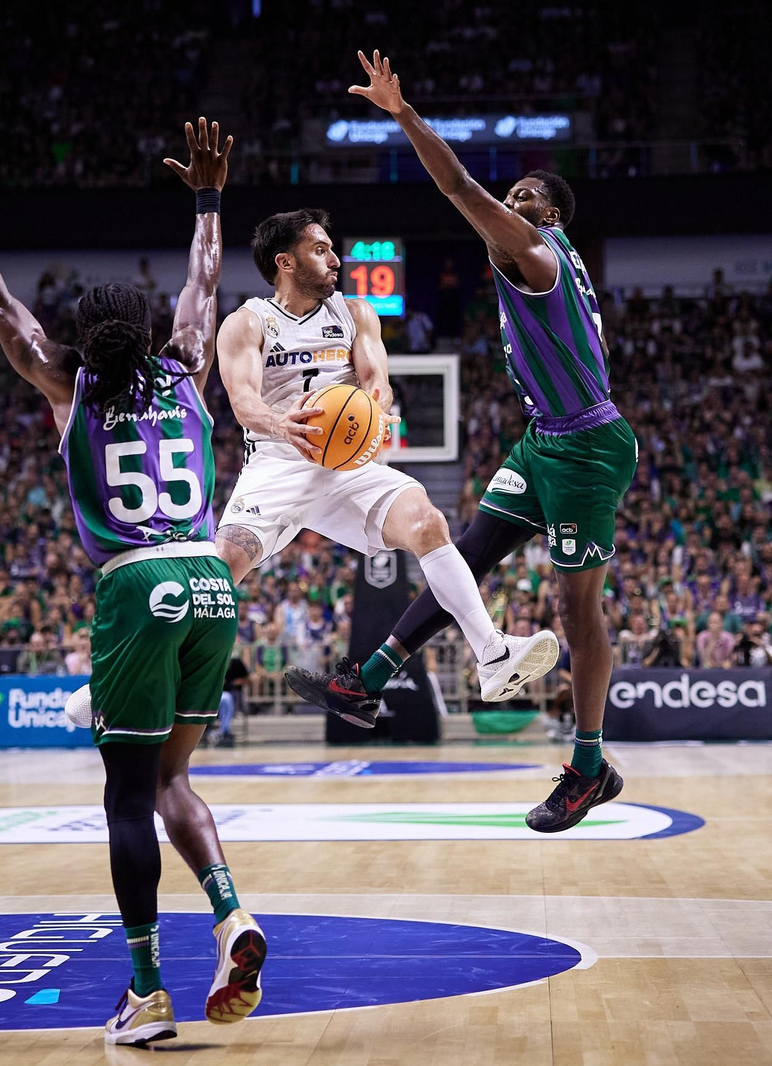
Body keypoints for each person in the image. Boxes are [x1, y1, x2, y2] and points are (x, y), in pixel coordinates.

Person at [0, 122, 263, 1046]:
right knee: (173, 778)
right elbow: (204, 282)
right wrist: (207, 200)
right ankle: (231, 914)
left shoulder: (68, 385)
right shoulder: (189, 369)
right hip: (209, 578)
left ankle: (148, 990)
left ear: (82, 338)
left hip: (137, 583)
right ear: (151, 332)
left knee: (125, 797)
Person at [288, 51, 635, 833]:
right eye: (514, 192)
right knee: (467, 549)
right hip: (545, 440)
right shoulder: (541, 265)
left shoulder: (539, 255)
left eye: (528, 196)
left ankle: (588, 766)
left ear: (547, 219)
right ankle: (368, 679)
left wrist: (404, 115)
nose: (514, 199)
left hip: (587, 448)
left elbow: (457, 188)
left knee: (577, 611)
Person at [213, 204, 555, 720]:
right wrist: (282, 423)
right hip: (278, 463)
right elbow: (244, 402)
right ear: (285, 261)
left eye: (332, 248)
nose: (335, 259)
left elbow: (376, 382)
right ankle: (120, 678)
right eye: (320, 249)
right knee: (215, 577)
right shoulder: (247, 322)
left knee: (429, 521)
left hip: (344, 463)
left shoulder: (356, 314)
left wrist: (373, 410)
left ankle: (493, 654)